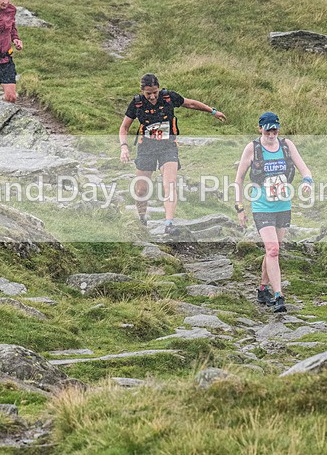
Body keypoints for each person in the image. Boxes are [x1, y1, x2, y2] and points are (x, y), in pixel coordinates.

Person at [119, 73, 226, 235]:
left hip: (167, 147)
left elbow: (190, 104)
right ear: (142, 91)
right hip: (146, 147)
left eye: (155, 92)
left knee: (170, 184)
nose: (153, 96)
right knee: (141, 190)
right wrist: (124, 147)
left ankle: (169, 223)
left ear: (159, 89)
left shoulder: (169, 97)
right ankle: (142, 219)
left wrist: (213, 111)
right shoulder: (137, 103)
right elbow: (124, 128)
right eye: (149, 93)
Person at [233, 112, 314, 313]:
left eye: (275, 129)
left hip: (283, 207)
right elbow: (238, 180)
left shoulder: (287, 146)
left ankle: (262, 289)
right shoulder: (253, 148)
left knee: (273, 250)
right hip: (261, 207)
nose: (271, 133)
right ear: (260, 128)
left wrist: (307, 182)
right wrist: (240, 207)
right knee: (273, 250)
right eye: (268, 129)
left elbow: (305, 169)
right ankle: (279, 296)